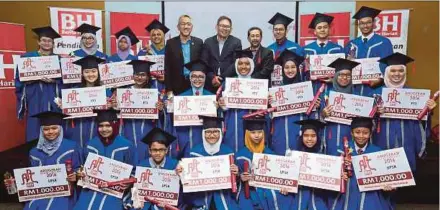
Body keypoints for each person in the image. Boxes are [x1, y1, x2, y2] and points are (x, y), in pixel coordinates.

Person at [372, 53, 437, 172]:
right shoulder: (376, 95)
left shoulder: (414, 95)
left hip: (407, 146)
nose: (397, 74)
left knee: (405, 182)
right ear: (386, 73)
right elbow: (363, 126)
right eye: (393, 71)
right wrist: (375, 113)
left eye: (401, 71)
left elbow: (422, 124)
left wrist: (428, 111)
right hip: (381, 145)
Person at [74, 109, 137, 210]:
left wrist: (129, 182)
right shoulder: (90, 145)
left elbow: (134, 171)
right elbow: (80, 167)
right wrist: (79, 173)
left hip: (114, 193)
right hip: (90, 191)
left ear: (115, 125)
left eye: (108, 126)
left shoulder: (126, 146)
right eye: (101, 126)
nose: (104, 129)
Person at [329, 117, 393, 210]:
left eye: (365, 133)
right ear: (351, 133)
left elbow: (384, 178)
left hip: (370, 197)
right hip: (347, 196)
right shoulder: (341, 150)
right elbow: (332, 174)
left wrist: (388, 187)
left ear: (370, 134)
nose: (361, 136)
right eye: (357, 132)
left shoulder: (377, 152)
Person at [22, 111, 81, 210]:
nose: (50, 132)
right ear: (41, 131)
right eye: (46, 129)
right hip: (41, 192)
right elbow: (32, 175)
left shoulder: (72, 147)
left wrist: (75, 175)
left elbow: (79, 168)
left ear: (60, 129)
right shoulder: (34, 152)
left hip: (64, 192)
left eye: (54, 128)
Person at [178, 116, 239, 209]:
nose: (212, 135)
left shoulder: (228, 152)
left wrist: (236, 173)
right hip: (201, 198)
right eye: (208, 132)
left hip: (223, 197)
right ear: (203, 134)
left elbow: (235, 182)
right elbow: (186, 179)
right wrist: (182, 173)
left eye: (215, 132)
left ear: (220, 133)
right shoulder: (194, 152)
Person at [15, 26, 63, 141]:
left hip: (53, 101)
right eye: (44, 40)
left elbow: (66, 82)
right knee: (34, 131)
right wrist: (33, 78)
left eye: (49, 41)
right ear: (38, 41)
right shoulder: (27, 58)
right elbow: (19, 80)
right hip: (35, 99)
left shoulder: (59, 60)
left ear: (53, 44)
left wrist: (54, 81)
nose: (46, 43)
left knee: (54, 129)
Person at [235, 118, 294, 210]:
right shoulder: (240, 155)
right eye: (253, 132)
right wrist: (240, 177)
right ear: (247, 134)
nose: (257, 135)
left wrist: (285, 186)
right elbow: (235, 178)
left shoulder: (270, 153)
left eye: (259, 132)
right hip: (249, 191)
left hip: (268, 190)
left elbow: (279, 176)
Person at [270, 50, 321, 155]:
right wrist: (269, 106)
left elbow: (312, 120)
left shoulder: (306, 90)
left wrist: (315, 107)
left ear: (298, 69)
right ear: (282, 70)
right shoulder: (276, 91)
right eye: (286, 67)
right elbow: (271, 119)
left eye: (293, 67)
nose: (290, 70)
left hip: (299, 139)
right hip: (280, 139)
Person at [219, 50, 269, 153]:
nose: (243, 67)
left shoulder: (259, 85)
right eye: (240, 64)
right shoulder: (228, 84)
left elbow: (265, 109)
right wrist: (222, 105)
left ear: (251, 65)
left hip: (253, 126)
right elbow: (221, 110)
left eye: (247, 64)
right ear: (236, 66)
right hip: (233, 123)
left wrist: (264, 108)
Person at [119, 60, 165, 161]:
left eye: (143, 75)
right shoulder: (125, 92)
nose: (139, 77)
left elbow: (161, 115)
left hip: (147, 128)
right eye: (137, 74)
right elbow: (118, 113)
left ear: (148, 77)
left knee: (146, 150)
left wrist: (160, 109)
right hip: (129, 127)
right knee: (129, 149)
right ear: (133, 75)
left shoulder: (153, 93)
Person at [61, 55, 110, 148]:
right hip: (78, 127)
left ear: (98, 73)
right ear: (82, 74)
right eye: (86, 72)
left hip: (96, 127)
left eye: (94, 71)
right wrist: (63, 106)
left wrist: (110, 106)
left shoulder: (106, 91)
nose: (91, 74)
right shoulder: (74, 91)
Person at [344, 6, 393, 96]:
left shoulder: (384, 42)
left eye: (368, 22)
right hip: (354, 90)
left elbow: (389, 66)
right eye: (362, 23)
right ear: (358, 25)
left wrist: (380, 80)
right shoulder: (352, 44)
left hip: (376, 90)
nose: (365, 26)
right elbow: (345, 66)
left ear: (374, 23)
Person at [173, 59, 214, 159]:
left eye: (201, 77)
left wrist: (218, 108)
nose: (197, 79)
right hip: (186, 136)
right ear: (189, 78)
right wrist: (170, 107)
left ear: (205, 79)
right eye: (194, 76)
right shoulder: (181, 97)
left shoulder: (211, 97)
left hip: (204, 137)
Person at [133, 128, 181, 210]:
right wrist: (137, 201)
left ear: (166, 151)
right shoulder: (141, 166)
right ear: (149, 151)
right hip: (146, 205)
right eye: (154, 150)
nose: (158, 153)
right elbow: (136, 189)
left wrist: (181, 175)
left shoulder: (175, 165)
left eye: (161, 150)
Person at [320, 58, 361, 155]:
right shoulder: (327, 95)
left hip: (351, 138)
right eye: (341, 75)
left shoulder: (358, 96)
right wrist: (323, 115)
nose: (344, 78)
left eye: (348, 75)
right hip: (331, 138)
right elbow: (320, 120)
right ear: (335, 76)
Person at [303, 13, 344, 102]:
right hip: (312, 90)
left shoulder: (338, 49)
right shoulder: (306, 49)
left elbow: (343, 72)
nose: (322, 30)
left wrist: (334, 80)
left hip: (332, 90)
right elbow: (302, 73)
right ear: (315, 31)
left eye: (325, 27)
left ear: (329, 30)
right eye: (319, 27)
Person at [292, 119, 328, 210]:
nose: (309, 139)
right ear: (301, 136)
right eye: (306, 135)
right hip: (298, 195)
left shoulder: (323, 157)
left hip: (317, 197)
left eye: (313, 136)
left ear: (317, 137)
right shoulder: (294, 155)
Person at [164, 15, 203, 96]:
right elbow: (167, 68)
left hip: (195, 84)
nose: (186, 27)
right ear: (178, 27)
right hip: (176, 86)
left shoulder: (199, 42)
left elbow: (202, 65)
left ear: (191, 27)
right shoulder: (170, 43)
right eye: (183, 24)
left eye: (188, 24)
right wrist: (169, 89)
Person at [201, 16, 242, 92]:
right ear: (217, 27)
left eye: (227, 27)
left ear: (231, 29)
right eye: (222, 26)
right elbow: (204, 63)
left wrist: (220, 78)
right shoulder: (208, 42)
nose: (225, 29)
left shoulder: (236, 42)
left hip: (228, 83)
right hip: (210, 83)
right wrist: (213, 77)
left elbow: (235, 63)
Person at [267, 13, 304, 87]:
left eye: (281, 29)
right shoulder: (268, 49)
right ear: (273, 31)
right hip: (275, 87)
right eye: (276, 29)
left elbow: (302, 70)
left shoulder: (296, 48)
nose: (278, 32)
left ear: (286, 31)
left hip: (293, 87)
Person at [138, 19, 170, 92]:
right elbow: (138, 72)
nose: (156, 37)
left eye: (158, 34)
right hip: (148, 89)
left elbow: (175, 70)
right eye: (153, 35)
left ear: (163, 35)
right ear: (150, 37)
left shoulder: (170, 51)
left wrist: (167, 78)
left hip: (167, 88)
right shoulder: (143, 52)